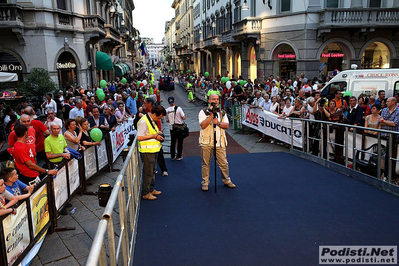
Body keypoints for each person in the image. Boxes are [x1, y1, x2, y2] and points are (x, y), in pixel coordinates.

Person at [199, 94, 236, 191]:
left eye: (217, 99)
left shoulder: (222, 112)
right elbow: (203, 125)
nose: (215, 101)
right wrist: (211, 115)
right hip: (206, 142)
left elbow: (227, 125)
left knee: (224, 163)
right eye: (213, 99)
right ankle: (205, 182)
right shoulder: (203, 112)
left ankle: (226, 180)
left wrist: (218, 123)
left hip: (219, 142)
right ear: (209, 100)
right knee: (205, 164)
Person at [137, 105, 167, 200]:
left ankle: (151, 189)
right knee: (148, 172)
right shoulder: (143, 121)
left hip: (153, 150)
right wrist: (154, 136)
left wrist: (158, 134)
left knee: (153, 171)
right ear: (154, 114)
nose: (158, 119)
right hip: (147, 151)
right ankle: (146, 192)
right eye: (158, 117)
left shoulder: (151, 119)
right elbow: (139, 137)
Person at [165, 96, 186, 161]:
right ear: (174, 100)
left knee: (173, 142)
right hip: (179, 127)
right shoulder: (178, 108)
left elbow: (167, 120)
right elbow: (183, 117)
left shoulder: (167, 110)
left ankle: (172, 156)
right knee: (180, 142)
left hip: (172, 128)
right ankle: (179, 156)